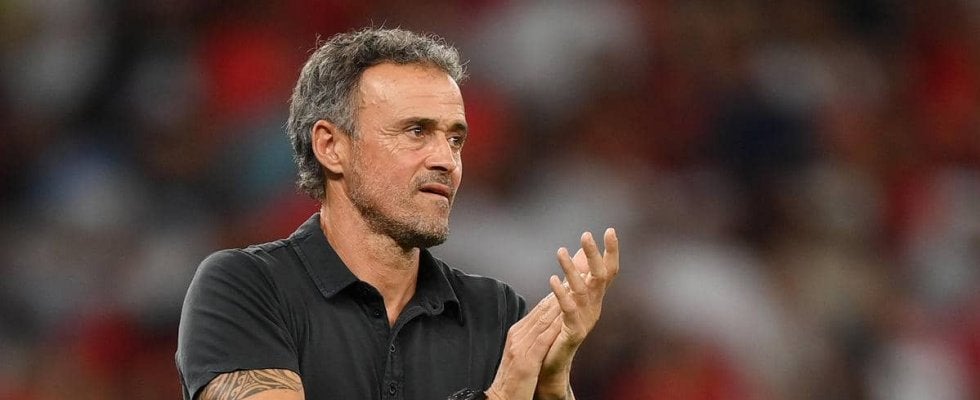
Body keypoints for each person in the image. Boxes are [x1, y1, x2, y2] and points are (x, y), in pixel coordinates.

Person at [175, 27, 619, 400]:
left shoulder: (496, 314)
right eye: (416, 131)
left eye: (455, 139)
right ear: (331, 146)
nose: (446, 160)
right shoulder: (246, 288)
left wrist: (552, 389)